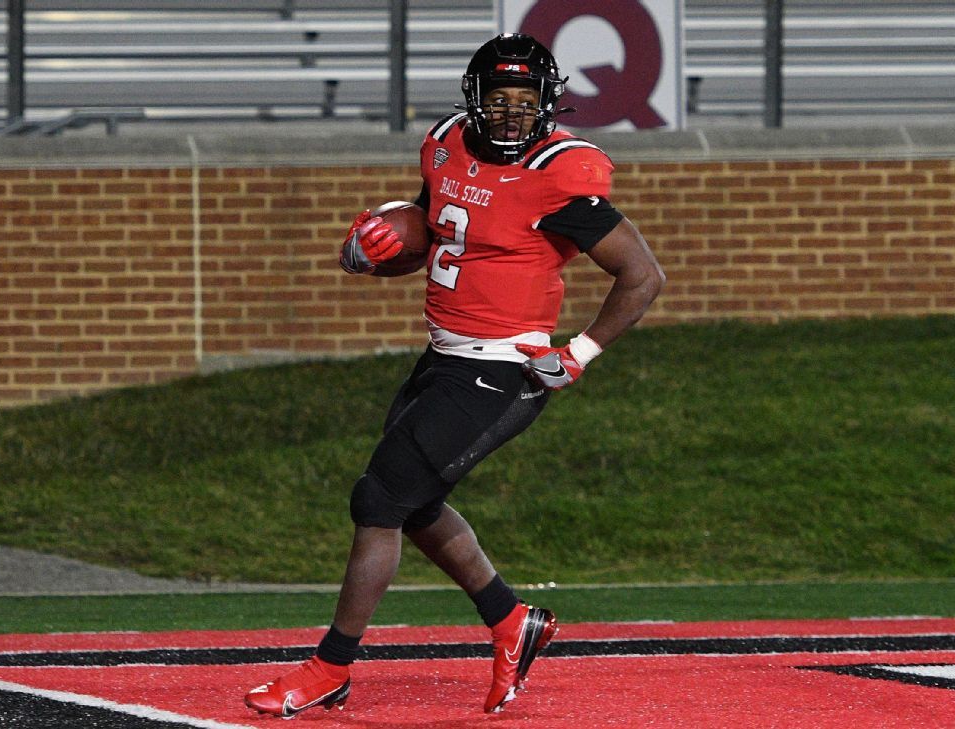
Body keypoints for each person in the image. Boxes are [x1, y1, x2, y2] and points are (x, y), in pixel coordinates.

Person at [244, 32, 664, 718]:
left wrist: (580, 351)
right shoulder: (447, 143)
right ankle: (510, 619)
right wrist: (368, 254)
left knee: (378, 502)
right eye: (497, 98)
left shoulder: (562, 171)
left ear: (546, 105)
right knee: (416, 506)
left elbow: (642, 275)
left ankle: (330, 667)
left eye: (524, 101)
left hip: (501, 371)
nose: (508, 113)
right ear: (473, 99)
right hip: (442, 357)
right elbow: (434, 238)